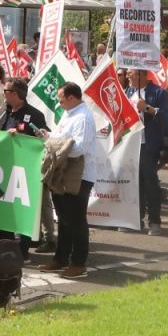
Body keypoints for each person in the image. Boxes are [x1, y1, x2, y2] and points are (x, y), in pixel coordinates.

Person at [42, 83, 100, 278]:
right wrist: (49, 137)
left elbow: (79, 148)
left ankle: (78, 262)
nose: (59, 104)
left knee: (76, 219)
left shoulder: (83, 117)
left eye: (61, 100)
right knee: (64, 218)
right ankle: (61, 258)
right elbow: (61, 138)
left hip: (80, 174)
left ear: (72, 98)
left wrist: (55, 145)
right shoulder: (69, 114)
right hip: (63, 173)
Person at [127, 67, 168, 233]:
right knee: (134, 182)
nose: (127, 76)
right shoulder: (128, 91)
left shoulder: (158, 93)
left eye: (130, 73)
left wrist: (147, 108)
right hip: (130, 145)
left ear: (141, 74)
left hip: (149, 144)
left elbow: (166, 117)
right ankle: (136, 219)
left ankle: (154, 221)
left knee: (150, 182)